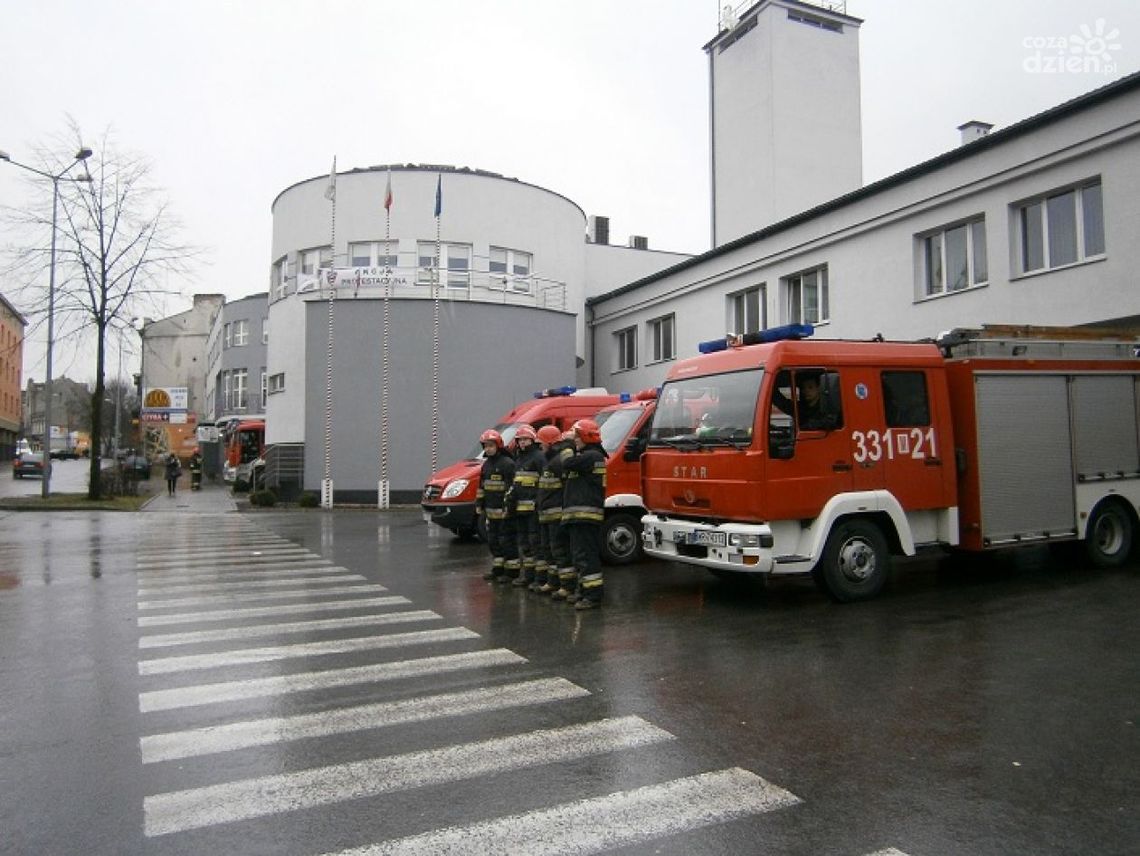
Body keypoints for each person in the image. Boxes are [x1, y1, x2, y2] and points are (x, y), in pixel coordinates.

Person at [558, 418, 607, 610]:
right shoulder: (586, 457)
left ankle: (593, 596)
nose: (575, 440)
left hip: (585, 517)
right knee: (580, 556)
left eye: (577, 436)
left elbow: (566, 462)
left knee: (586, 556)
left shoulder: (591, 456)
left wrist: (566, 443)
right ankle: (584, 591)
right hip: (578, 517)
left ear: (586, 436)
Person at [474, 429, 517, 582]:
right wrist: (479, 503)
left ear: (498, 445)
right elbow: (482, 487)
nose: (488, 449)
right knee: (493, 541)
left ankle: (512, 572)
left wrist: (508, 507)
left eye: (491, 445)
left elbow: (512, 487)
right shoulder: (486, 465)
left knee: (507, 541)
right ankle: (498, 569)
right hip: (491, 512)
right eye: (485, 446)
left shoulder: (507, 464)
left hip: (504, 511)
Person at [533, 424, 573, 594]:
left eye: (541, 442)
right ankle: (553, 582)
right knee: (548, 550)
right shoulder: (549, 461)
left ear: (549, 443)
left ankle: (567, 585)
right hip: (545, 515)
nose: (539, 446)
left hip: (556, 515)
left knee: (560, 551)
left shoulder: (558, 462)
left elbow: (566, 489)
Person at [508, 425, 544, 587]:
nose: (522, 443)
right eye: (520, 440)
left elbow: (544, 483)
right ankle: (528, 576)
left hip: (533, 510)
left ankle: (539, 578)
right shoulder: (519, 459)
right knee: (524, 544)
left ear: (532, 440)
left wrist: (538, 503)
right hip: (520, 510)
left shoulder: (538, 457)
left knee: (535, 543)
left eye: (525, 439)